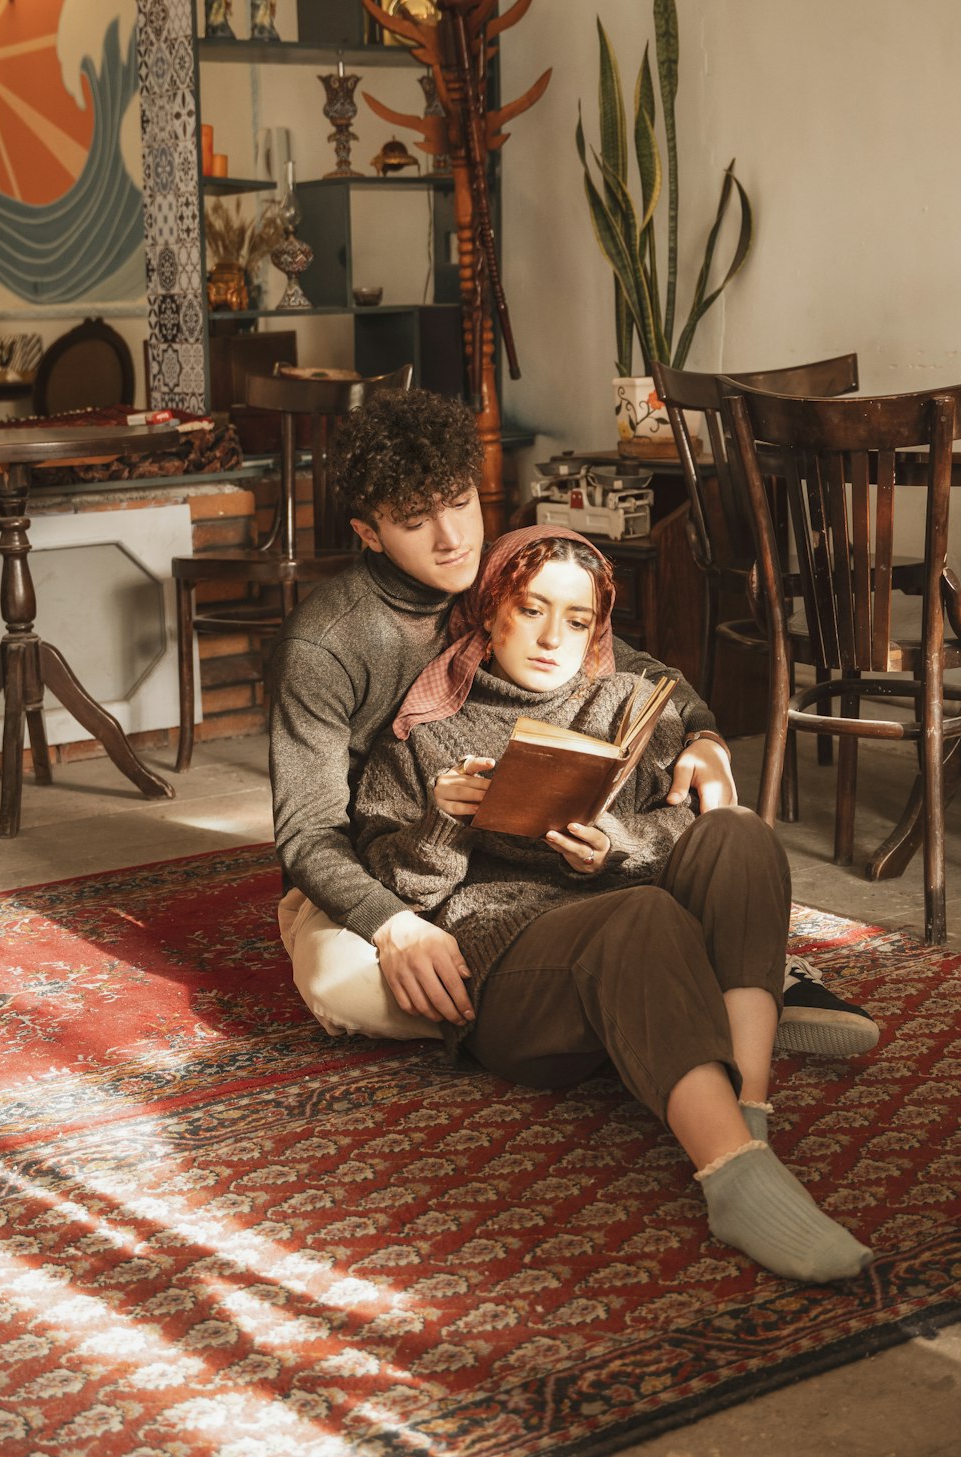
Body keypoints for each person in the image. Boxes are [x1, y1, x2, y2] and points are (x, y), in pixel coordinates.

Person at [269, 387, 877, 1052]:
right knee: (341, 983)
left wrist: (702, 734)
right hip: (384, 864)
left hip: (521, 861)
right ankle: (689, 979)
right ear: (369, 534)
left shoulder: (492, 570)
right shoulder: (325, 641)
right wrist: (392, 925)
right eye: (416, 522)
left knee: (663, 853)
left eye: (461, 504)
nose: (452, 539)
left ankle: (682, 977)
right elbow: (307, 833)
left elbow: (629, 662)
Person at [351, 525, 873, 1283]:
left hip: (638, 940)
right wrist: (445, 819)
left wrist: (617, 843)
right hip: (514, 971)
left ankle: (749, 1112)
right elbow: (399, 886)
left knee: (738, 833)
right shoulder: (423, 730)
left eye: (576, 618)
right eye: (531, 610)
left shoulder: (631, 702)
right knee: (643, 915)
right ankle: (734, 1179)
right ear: (491, 610)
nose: (550, 637)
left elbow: (682, 821)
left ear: (600, 627)